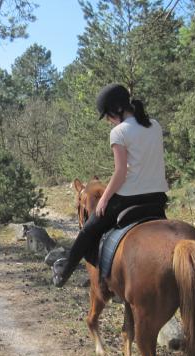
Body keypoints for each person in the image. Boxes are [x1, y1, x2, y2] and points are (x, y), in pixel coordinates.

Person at [53, 83, 169, 287]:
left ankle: (64, 272)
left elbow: (121, 172)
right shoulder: (155, 125)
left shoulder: (119, 132)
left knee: (87, 232)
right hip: (158, 198)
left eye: (107, 116)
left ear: (116, 109)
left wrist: (104, 198)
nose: (108, 121)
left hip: (128, 199)